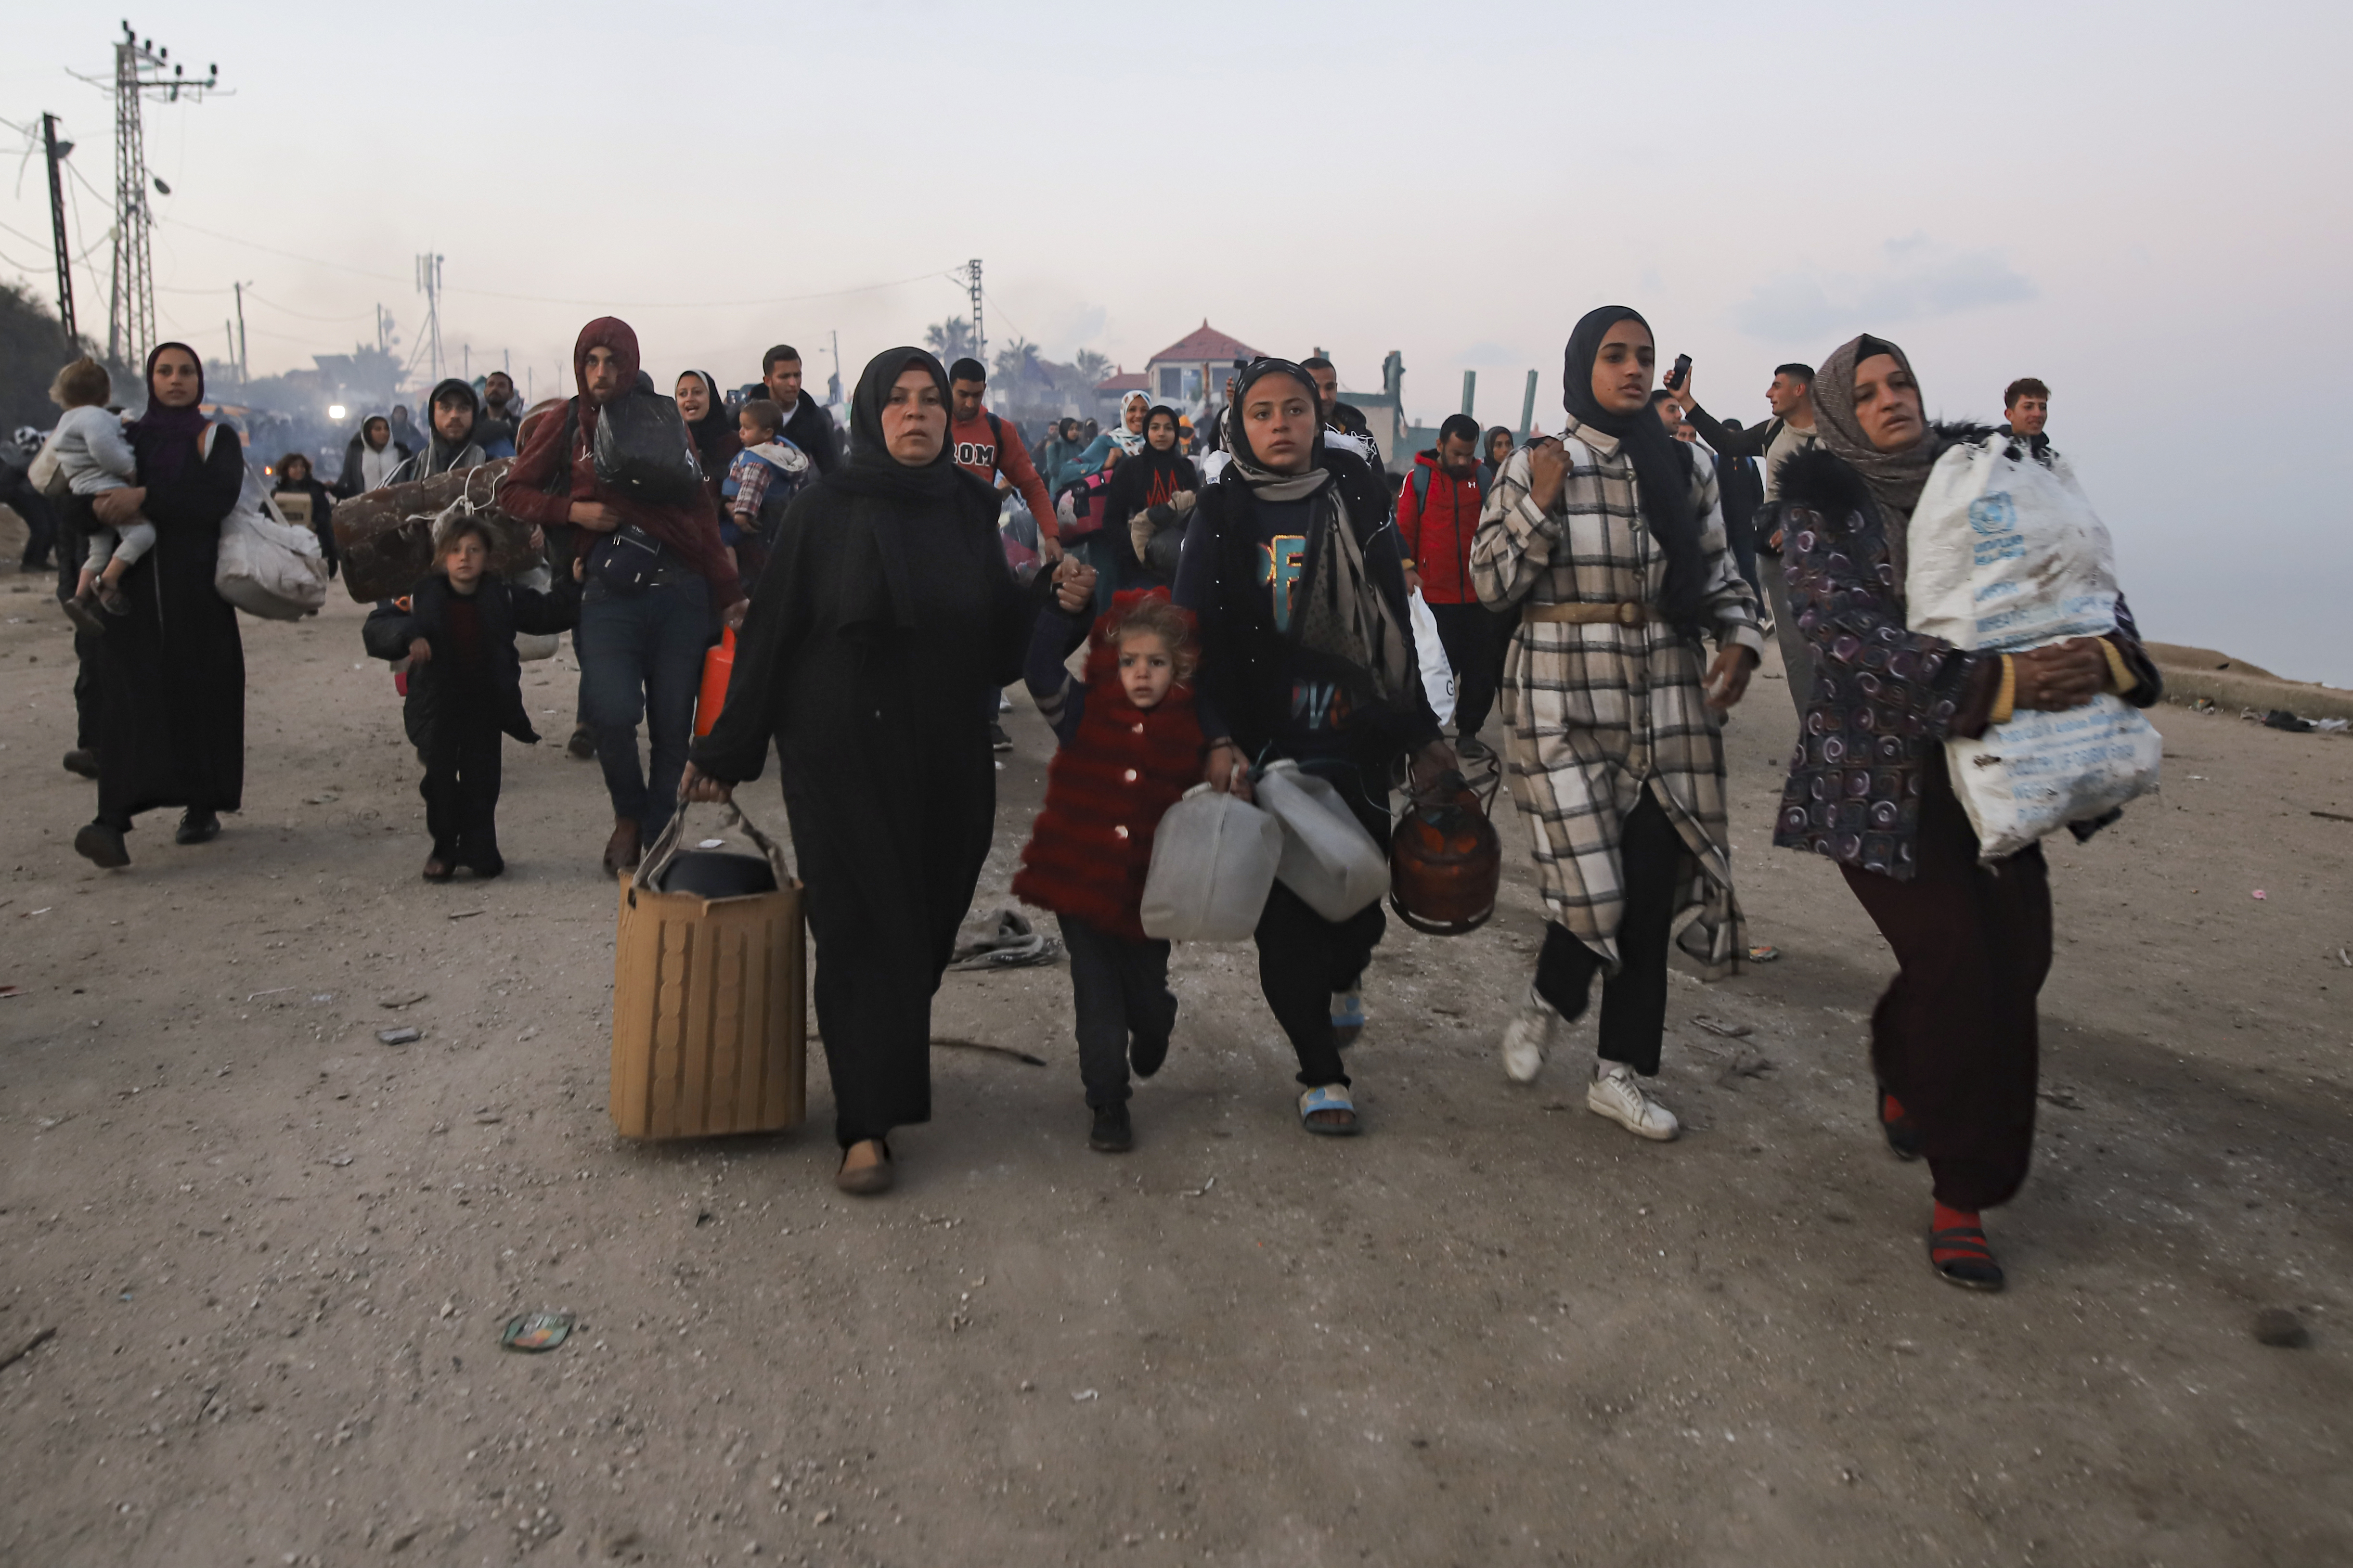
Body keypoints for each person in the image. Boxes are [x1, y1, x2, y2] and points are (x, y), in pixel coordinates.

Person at [1772, 334, 2159, 1293]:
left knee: (2016, 956)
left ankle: (1903, 1065)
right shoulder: (1820, 508)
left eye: (1897, 381)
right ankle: (1962, 1194)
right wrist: (2000, 679)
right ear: (1833, 413)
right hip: (1874, 783)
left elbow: (2069, 576)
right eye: (1862, 393)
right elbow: (1846, 638)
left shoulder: (1983, 475)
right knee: (1953, 959)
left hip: (1996, 773)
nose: (1888, 400)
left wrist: (2109, 661)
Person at [681, 347, 1066, 1195]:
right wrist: (723, 752)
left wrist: (1045, 599)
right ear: (868, 413)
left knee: (925, 919)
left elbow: (996, 646)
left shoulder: (971, 509)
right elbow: (773, 635)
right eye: (898, 401)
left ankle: (883, 1054)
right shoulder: (823, 510)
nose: (917, 414)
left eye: (930, 401)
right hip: (839, 752)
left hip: (945, 753)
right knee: (860, 926)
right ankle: (865, 1123)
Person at [1472, 307, 1763, 1141]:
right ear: (1579, 368)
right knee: (1589, 885)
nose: (1633, 370)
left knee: (1641, 900)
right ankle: (1549, 998)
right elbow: (1491, 582)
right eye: (1613, 356)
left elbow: (1717, 570)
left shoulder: (1681, 468)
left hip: (1665, 696)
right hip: (1561, 696)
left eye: (1642, 356)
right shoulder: (1535, 463)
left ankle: (1618, 1071)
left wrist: (1739, 641)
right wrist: (1540, 505)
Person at [1172, 358, 1454, 1136]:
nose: (1279, 425)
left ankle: (1346, 974)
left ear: (1315, 418)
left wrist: (1422, 733)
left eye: (1293, 409)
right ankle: (1318, 1070)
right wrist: (1214, 736)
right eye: (1261, 412)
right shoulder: (1221, 515)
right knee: (1288, 916)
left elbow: (1394, 621)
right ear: (1240, 425)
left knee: (1358, 900)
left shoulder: (1357, 500)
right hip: (1268, 747)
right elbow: (1188, 637)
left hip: (1353, 741)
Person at [496, 317, 748, 874]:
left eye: (613, 361)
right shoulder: (566, 422)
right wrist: (572, 511)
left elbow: (696, 511)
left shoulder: (661, 417)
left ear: (631, 364)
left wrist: (728, 593)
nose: (603, 373)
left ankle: (658, 837)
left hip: (680, 592)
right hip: (609, 594)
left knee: (670, 726)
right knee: (611, 714)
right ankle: (628, 815)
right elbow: (513, 491)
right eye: (592, 361)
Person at [1011, 585, 1203, 1153]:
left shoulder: (1189, 735)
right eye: (1129, 663)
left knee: (1144, 993)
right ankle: (1107, 1102)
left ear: (1179, 668)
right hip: (1080, 887)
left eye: (1156, 663)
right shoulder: (1081, 715)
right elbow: (1040, 670)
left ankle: (1157, 1021)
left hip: (1150, 898)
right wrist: (1060, 611)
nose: (1141, 674)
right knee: (1097, 998)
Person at [71, 344, 248, 868]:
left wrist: (144, 499)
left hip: (197, 596)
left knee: (198, 696)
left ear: (200, 380)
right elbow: (86, 502)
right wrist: (99, 508)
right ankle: (112, 822)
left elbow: (214, 500)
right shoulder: (124, 438)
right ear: (151, 379)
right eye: (165, 371)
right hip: (131, 599)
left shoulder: (216, 438)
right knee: (125, 704)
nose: (175, 380)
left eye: (187, 371)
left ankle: (201, 805)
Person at [390, 514, 576, 881]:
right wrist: (411, 636)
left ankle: (481, 849)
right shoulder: (423, 595)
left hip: (485, 705)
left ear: (488, 558)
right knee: (440, 782)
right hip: (438, 706)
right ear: (442, 557)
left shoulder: (501, 596)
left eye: (474, 550)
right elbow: (382, 624)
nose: (464, 558)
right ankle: (444, 848)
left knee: (483, 781)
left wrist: (573, 580)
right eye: (456, 550)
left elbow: (550, 614)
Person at [1671, 361, 1819, 688]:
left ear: (1800, 389)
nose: (1769, 393)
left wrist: (1807, 525)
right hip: (1777, 560)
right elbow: (1728, 444)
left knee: (1829, 649)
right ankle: (1812, 732)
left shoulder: (1835, 436)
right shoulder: (1774, 429)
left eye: (1777, 385)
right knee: (1796, 656)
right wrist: (1686, 400)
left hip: (1821, 562)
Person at [1398, 413, 1501, 750]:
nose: (1462, 461)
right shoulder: (1419, 480)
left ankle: (1469, 732)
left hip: (1480, 596)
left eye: (1468, 455)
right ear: (1440, 445)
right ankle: (1430, 732)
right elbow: (1403, 531)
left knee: (1481, 671)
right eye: (1456, 453)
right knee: (1435, 667)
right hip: (1434, 598)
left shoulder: (1485, 479)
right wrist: (1408, 569)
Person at [44, 357, 153, 635]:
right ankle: (109, 582)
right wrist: (129, 471)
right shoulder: (94, 418)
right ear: (106, 393)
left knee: (99, 550)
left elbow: (105, 427)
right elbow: (104, 448)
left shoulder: (68, 420)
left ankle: (80, 598)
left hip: (83, 493)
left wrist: (121, 420)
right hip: (106, 488)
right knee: (143, 535)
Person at [946, 357, 1061, 563]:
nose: (970, 403)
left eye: (977, 395)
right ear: (949, 388)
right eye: (963, 395)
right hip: (933, 538)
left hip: (980, 541)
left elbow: (1032, 486)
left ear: (985, 389)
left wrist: (1051, 535)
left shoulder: (1000, 430)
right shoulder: (931, 425)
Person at [1102, 404, 1198, 593]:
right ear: (1147, 432)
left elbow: (1195, 515)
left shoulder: (1185, 468)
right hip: (1138, 569)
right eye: (1155, 428)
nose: (1162, 434)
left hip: (1180, 566)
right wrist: (1135, 554)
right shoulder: (1129, 469)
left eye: (1168, 428)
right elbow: (1112, 520)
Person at [720, 398, 810, 591]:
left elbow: (752, 488)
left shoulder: (757, 461)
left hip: (752, 517)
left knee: (721, 540)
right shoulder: (780, 450)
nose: (741, 433)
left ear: (767, 433)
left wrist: (741, 515)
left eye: (747, 428)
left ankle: (730, 585)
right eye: (741, 427)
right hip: (775, 511)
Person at [387, 379, 487, 485]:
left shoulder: (493, 471)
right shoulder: (406, 473)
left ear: (474, 415)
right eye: (446, 408)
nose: (454, 415)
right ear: (432, 414)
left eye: (463, 408)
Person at [760, 345, 841, 473]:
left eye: (797, 375)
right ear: (768, 381)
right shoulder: (746, 417)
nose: (793, 383)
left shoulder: (817, 422)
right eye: (784, 377)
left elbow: (833, 474)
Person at [674, 369, 741, 512]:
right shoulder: (670, 444)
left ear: (711, 396)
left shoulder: (735, 442)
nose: (689, 399)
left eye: (698, 392)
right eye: (683, 394)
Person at [1712, 418, 1764, 600]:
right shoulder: (1715, 461)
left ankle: (1759, 613)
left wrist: (1758, 522)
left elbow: (1759, 496)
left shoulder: (1750, 463)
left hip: (1745, 528)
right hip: (1721, 526)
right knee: (1719, 570)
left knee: (1749, 569)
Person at [1301, 355, 1381, 464]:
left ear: (1336, 388)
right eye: (1315, 388)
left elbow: (1378, 480)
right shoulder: (1291, 434)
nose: (1324, 396)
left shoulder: (1362, 437)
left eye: (1330, 388)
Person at [272, 453, 339, 578]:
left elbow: (325, 517)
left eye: (302, 466)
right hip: (288, 547)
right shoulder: (277, 493)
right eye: (294, 466)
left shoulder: (316, 489)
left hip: (316, 544)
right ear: (286, 470)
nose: (299, 470)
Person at [336, 414, 410, 498]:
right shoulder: (358, 458)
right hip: (365, 507)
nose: (384, 433)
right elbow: (350, 487)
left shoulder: (401, 455)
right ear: (368, 432)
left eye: (386, 429)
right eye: (378, 429)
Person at [475, 370, 521, 458]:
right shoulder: (473, 424)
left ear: (511, 394)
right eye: (491, 385)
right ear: (485, 392)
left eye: (502, 386)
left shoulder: (520, 427)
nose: (495, 389)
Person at [2001, 376, 2050, 450]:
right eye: (2028, 407)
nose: (2038, 414)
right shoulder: (1991, 453)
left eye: (2043, 407)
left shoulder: (2053, 459)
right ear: (2009, 415)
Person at [1477, 425, 1514, 494]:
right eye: (1499, 445)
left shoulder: (1519, 472)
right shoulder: (1481, 474)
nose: (1505, 450)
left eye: (1508, 444)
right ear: (1490, 448)